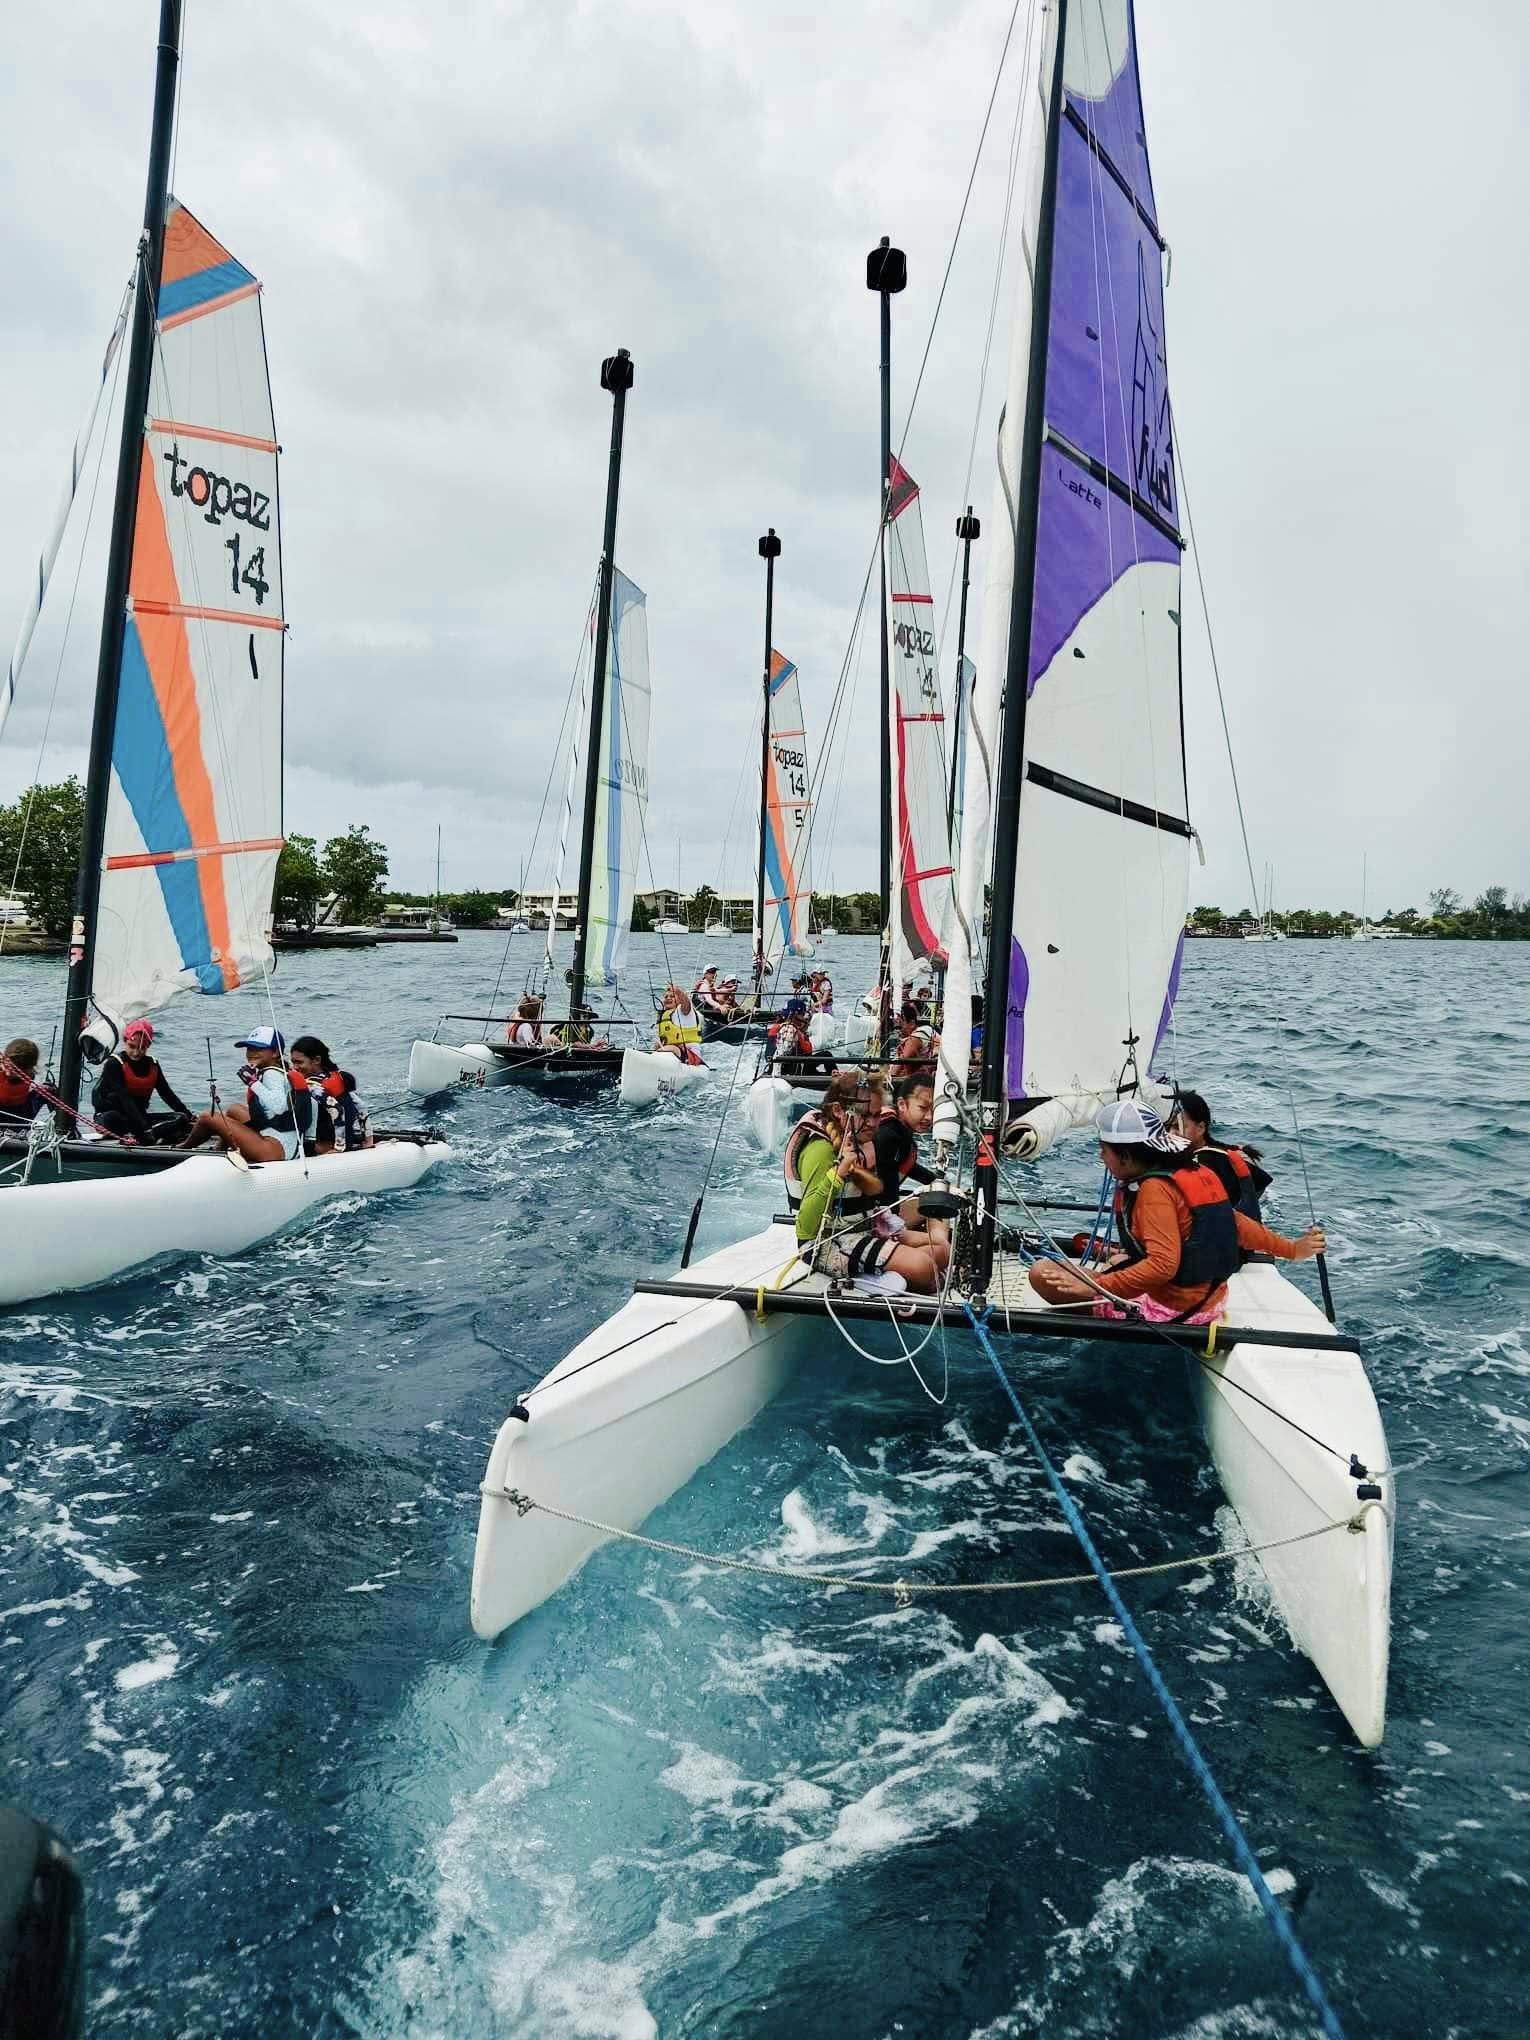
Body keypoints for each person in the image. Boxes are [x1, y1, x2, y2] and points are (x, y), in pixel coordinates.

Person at [1027, 1099, 1324, 1323]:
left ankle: (1101, 1305)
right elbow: (1235, 1223)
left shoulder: (1153, 1191)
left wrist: (1096, 1287)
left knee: (1042, 1272)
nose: (1100, 1155)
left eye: (1104, 1149)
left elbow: (1163, 1266)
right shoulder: (1192, 1170)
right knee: (1119, 1258)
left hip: (1171, 1311)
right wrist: (1291, 1249)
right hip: (1211, 1299)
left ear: (1126, 1156)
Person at [793, 1070, 948, 1294]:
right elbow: (806, 1228)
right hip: (824, 1244)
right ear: (837, 1110)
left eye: (876, 1116)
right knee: (925, 1268)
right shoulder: (820, 1150)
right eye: (864, 1115)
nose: (872, 1123)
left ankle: (890, 1273)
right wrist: (837, 1174)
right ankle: (885, 1276)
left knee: (942, 1253)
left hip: (861, 1229)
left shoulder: (857, 1142)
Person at [180, 1026, 311, 1165]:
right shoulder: (277, 1070)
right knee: (233, 1109)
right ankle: (219, 1152)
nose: (251, 1053)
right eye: (249, 1048)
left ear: (275, 1052)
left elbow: (279, 1106)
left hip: (274, 1150)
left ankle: (181, 1150)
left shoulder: (271, 1074)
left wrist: (253, 1083)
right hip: (283, 1143)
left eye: (258, 1049)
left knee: (207, 1117)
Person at [1169, 1088, 1272, 1219]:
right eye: (1168, 1127)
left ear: (1201, 1128)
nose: (1171, 1134)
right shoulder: (1222, 1150)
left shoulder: (1205, 1161)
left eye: (1178, 1127)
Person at [91, 1020, 191, 1144]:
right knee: (113, 1118)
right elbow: (124, 1098)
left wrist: (189, 1116)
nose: (136, 1052)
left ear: (148, 1045)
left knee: (181, 1118)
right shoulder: (114, 1064)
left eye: (142, 1048)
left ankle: (149, 1135)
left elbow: (167, 1094)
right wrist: (144, 1127)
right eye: (132, 1046)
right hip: (111, 1116)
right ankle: (146, 1135)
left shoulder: (153, 1065)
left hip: (138, 1118)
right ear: (125, 1041)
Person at [289, 1035, 370, 1152]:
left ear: (317, 1060)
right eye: (293, 1062)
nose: (295, 1068)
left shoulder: (312, 1085)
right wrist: (368, 1140)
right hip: (347, 1140)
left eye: (299, 1062)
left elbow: (337, 1110)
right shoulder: (336, 1078)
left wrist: (339, 1148)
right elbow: (361, 1106)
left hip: (327, 1145)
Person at [655, 985, 704, 1065]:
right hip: (673, 1054)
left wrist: (678, 991)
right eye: (666, 996)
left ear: (680, 1000)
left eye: (672, 996)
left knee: (670, 1048)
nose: (668, 998)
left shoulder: (685, 1012)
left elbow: (686, 1003)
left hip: (691, 1056)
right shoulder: (665, 1015)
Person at [0, 1038, 45, 1126]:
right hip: (12, 1116)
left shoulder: (29, 1074)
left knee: (48, 1089)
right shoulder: (29, 1074)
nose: (9, 1072)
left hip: (20, 1115)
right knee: (47, 1089)